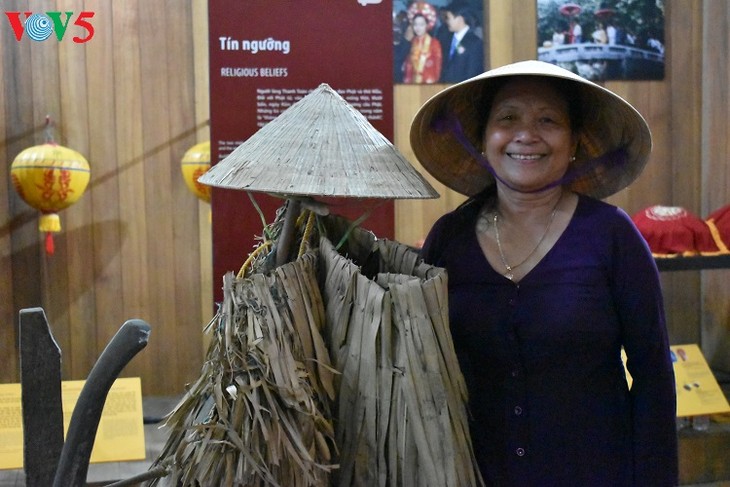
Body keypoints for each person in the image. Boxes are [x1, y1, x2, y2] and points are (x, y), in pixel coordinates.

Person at [410, 60, 678, 485]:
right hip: (476, 473)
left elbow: (653, 375)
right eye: (507, 118)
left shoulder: (611, 237)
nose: (526, 135)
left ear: (573, 142)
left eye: (548, 120)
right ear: (483, 139)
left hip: (594, 473)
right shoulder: (450, 239)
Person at [439, 2, 484, 83]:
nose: (447, 21)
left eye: (448, 18)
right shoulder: (446, 39)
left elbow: (473, 73)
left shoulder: (474, 42)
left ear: (460, 18)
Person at [402, 12, 443, 84]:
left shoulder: (434, 43)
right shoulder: (411, 42)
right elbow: (408, 65)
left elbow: (438, 66)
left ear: (427, 25)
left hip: (429, 82)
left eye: (421, 24)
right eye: (415, 24)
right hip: (412, 83)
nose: (418, 28)